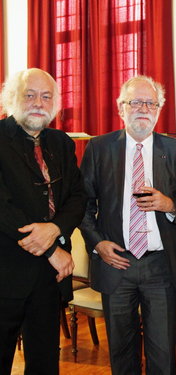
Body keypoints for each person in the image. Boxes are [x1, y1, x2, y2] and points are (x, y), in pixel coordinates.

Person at [80, 75, 176, 375]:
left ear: (159, 109)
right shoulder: (99, 148)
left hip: (160, 266)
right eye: (136, 102)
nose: (143, 108)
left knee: (162, 354)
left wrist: (168, 204)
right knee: (121, 352)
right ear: (121, 108)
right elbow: (82, 205)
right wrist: (98, 243)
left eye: (150, 103)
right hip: (115, 262)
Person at [0, 68, 86, 374]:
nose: (39, 102)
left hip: (49, 281)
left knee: (45, 363)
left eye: (46, 96)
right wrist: (52, 250)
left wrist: (56, 229)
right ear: (12, 98)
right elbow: (4, 209)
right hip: (7, 272)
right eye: (30, 94)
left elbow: (77, 197)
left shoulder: (61, 142)